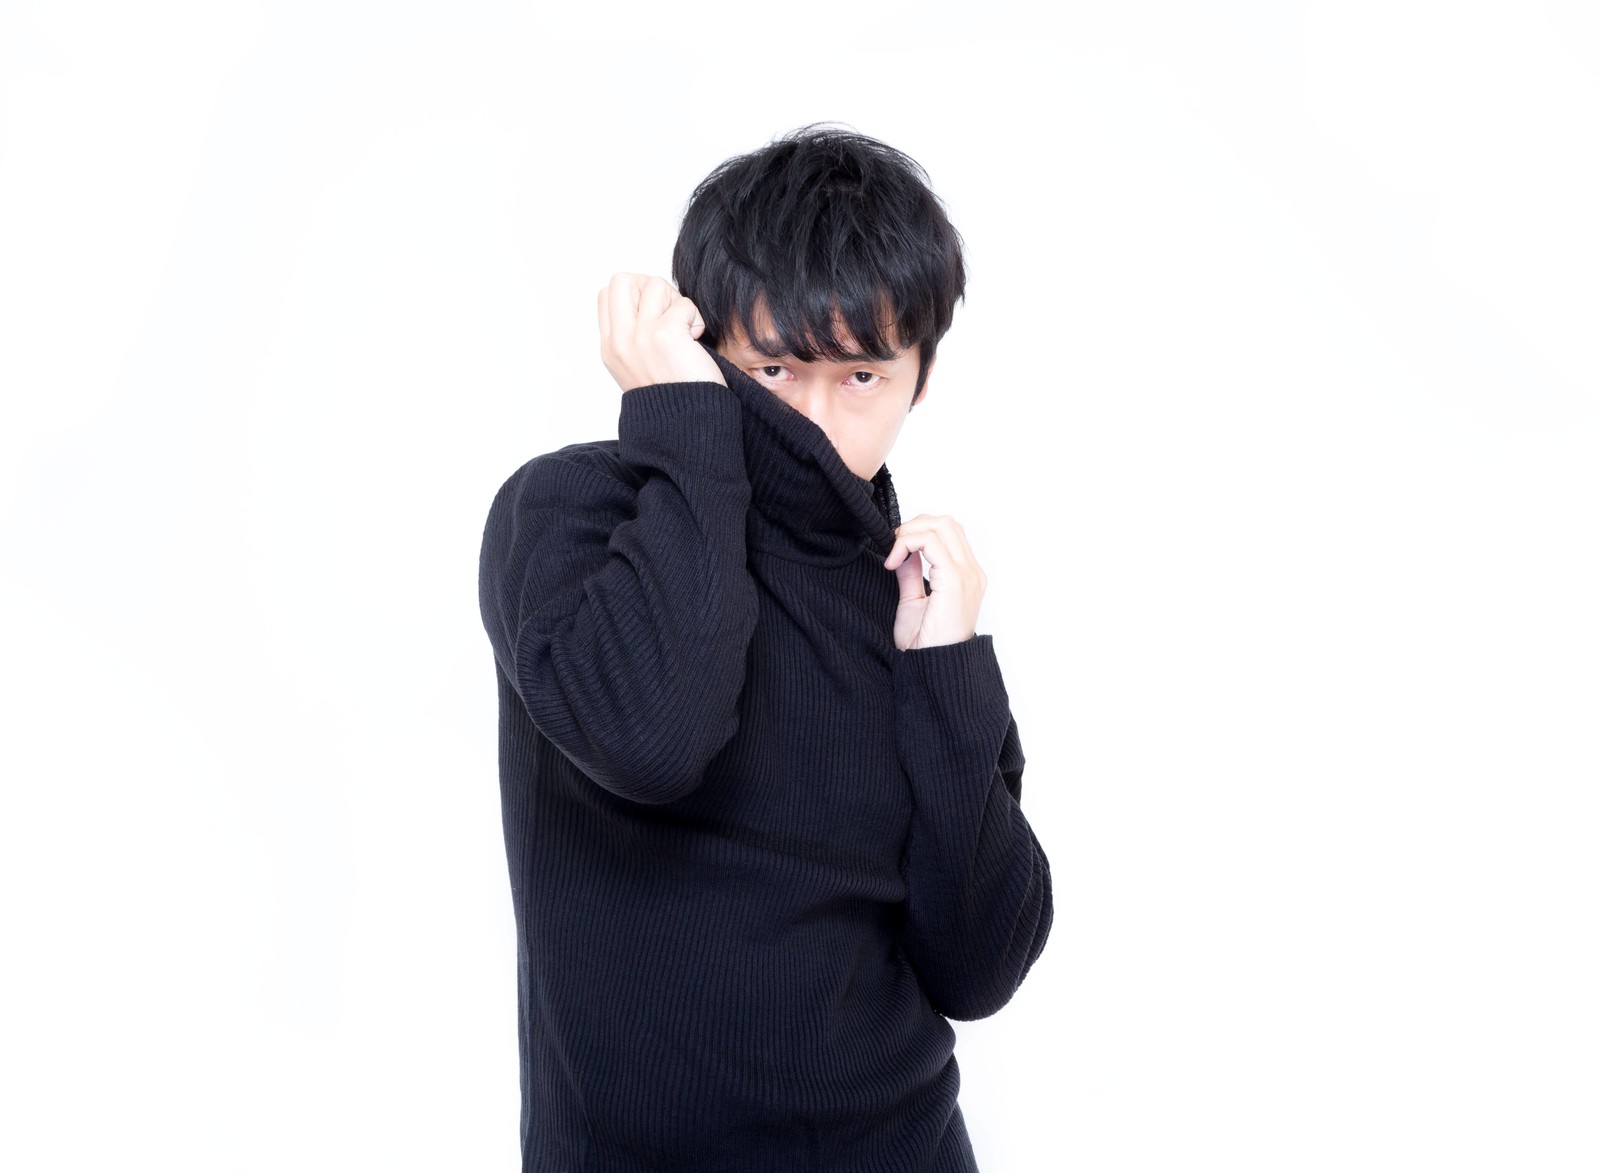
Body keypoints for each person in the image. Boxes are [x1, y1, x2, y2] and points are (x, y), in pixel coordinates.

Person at [477, 124, 1052, 1172]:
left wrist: (948, 672)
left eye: (860, 376)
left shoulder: (911, 601)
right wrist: (684, 422)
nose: (812, 419)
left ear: (919, 378)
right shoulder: (573, 515)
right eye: (772, 366)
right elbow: (651, 739)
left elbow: (978, 968)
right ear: (700, 351)